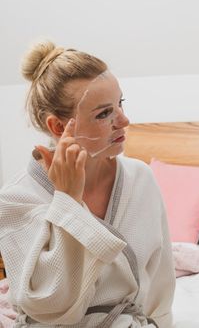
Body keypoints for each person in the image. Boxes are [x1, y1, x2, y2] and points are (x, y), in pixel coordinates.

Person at [0, 41, 175, 327]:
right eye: (104, 114)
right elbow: (52, 306)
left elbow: (161, 284)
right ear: (58, 127)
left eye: (121, 104)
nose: (124, 120)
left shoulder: (140, 178)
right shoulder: (16, 199)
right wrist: (67, 202)